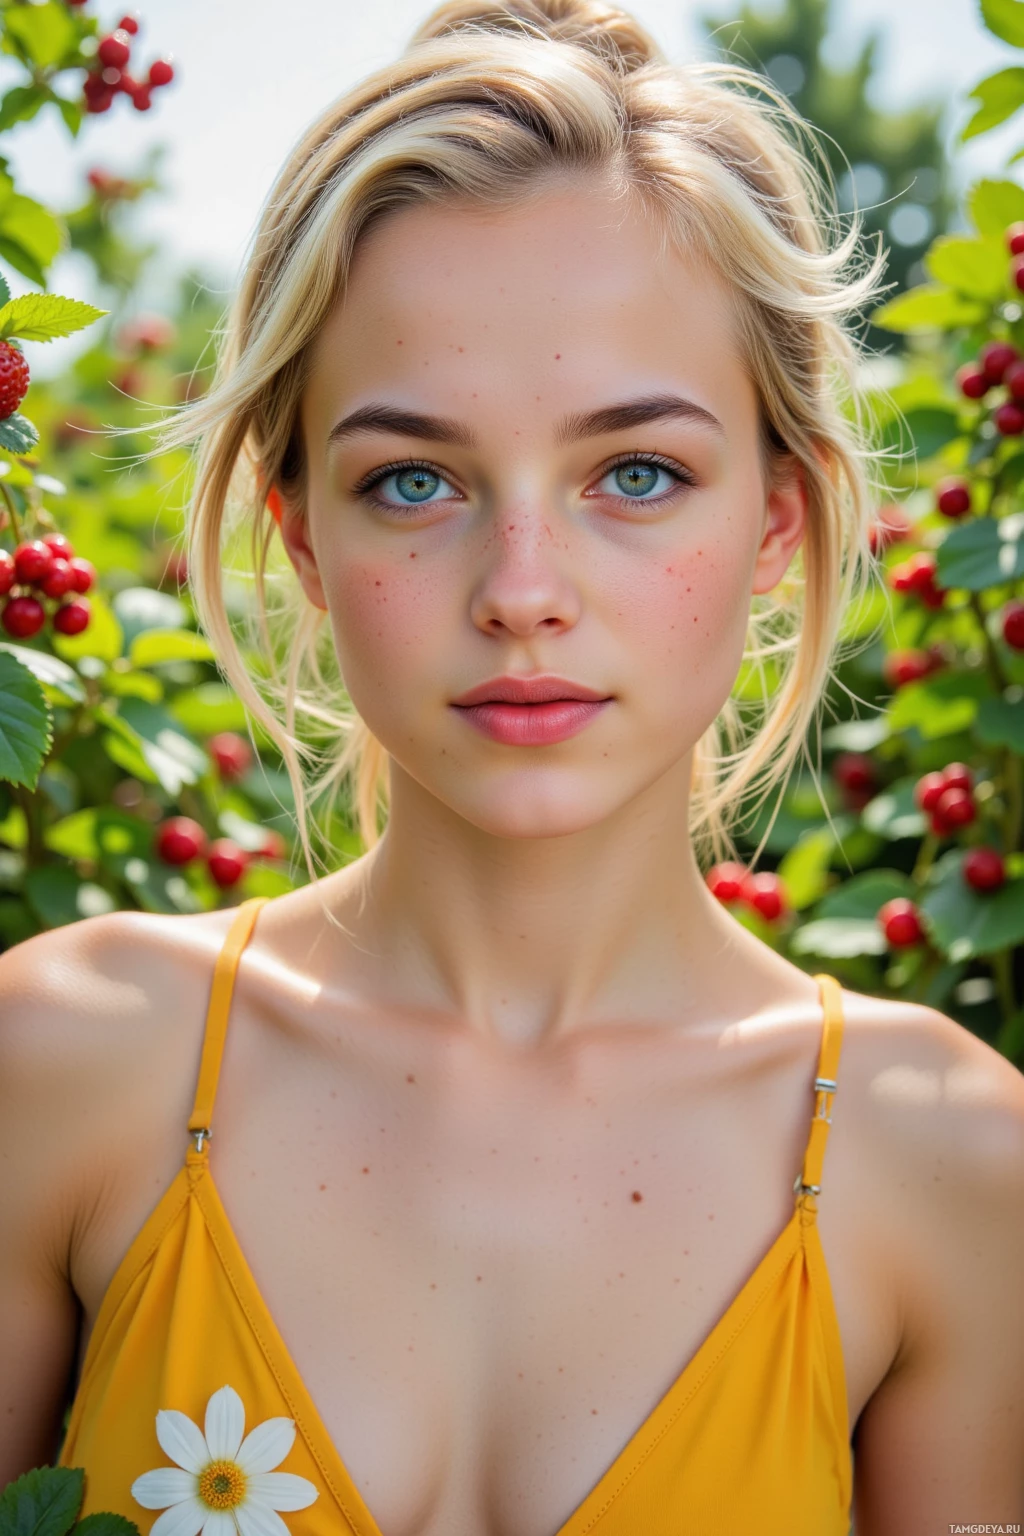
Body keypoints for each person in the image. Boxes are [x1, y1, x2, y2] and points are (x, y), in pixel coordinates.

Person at [2, 1, 1023, 1531]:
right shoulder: (63, 1067)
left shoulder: (956, 1166)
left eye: (637, 474)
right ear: (301, 531)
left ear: (780, 519)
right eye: (413, 480)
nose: (522, 586)